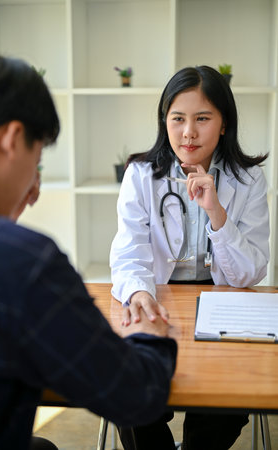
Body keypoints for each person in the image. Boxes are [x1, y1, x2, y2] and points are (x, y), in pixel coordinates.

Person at [0, 52, 178, 450]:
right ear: (14, 139)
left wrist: (4, 211)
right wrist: (151, 336)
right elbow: (131, 393)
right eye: (38, 158)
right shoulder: (27, 264)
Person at [110, 65, 270, 449]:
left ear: (224, 124)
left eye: (203, 118)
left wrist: (217, 213)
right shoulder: (141, 175)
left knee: (227, 400)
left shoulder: (248, 181)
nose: (188, 132)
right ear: (164, 121)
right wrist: (137, 293)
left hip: (224, 303)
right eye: (177, 118)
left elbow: (250, 273)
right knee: (127, 385)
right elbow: (129, 253)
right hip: (157, 297)